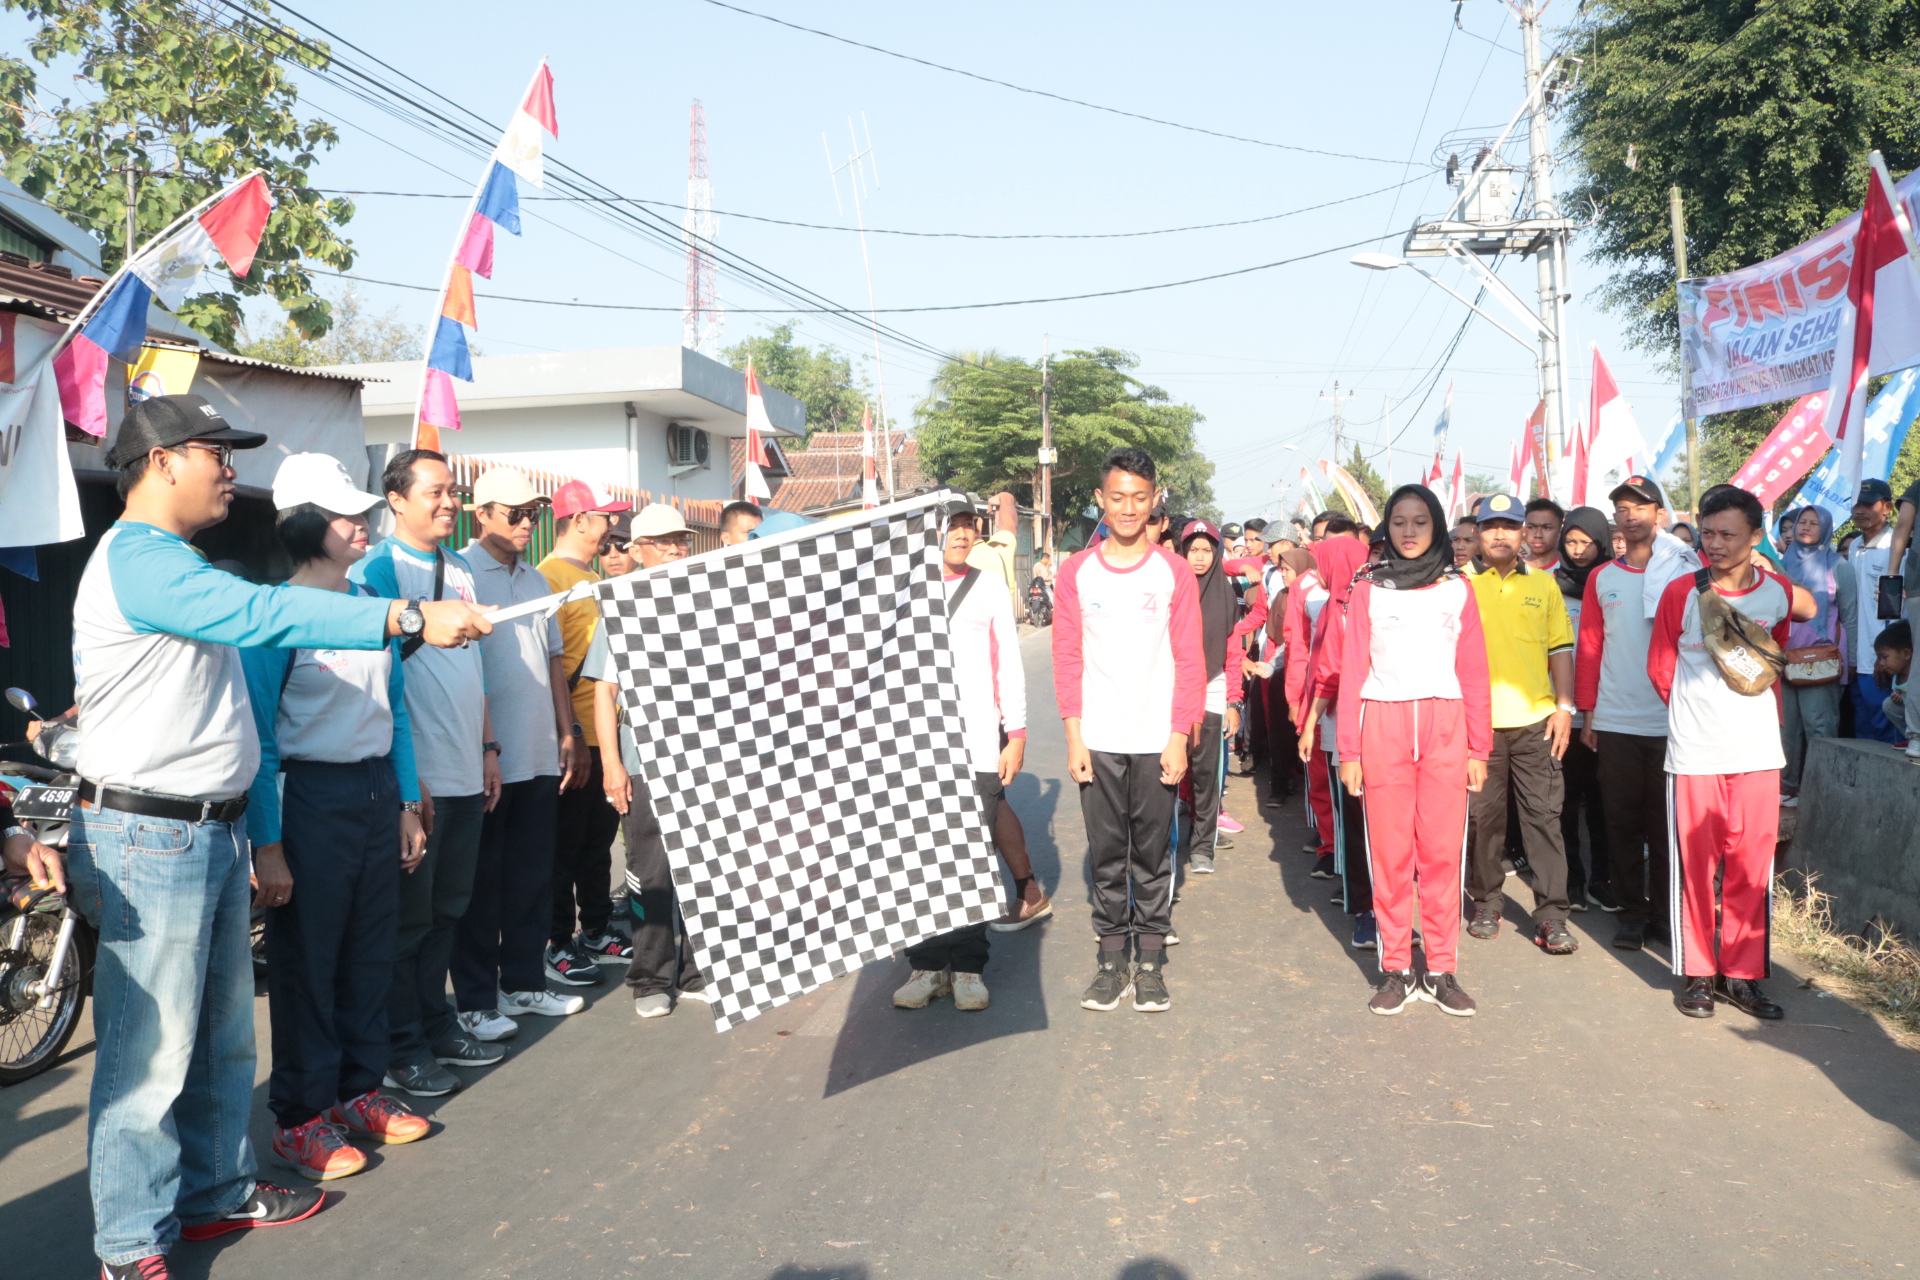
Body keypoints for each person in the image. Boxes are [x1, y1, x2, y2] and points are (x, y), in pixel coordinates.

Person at [69, 397, 488, 1277]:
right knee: (149, 1056)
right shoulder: (141, 562)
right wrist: (404, 619)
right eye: (215, 452)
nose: (230, 468)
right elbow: (269, 617)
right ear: (160, 461)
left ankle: (216, 1194)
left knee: (223, 1038)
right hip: (151, 835)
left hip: (206, 832)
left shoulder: (177, 562)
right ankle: (127, 1242)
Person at [240, 453, 434, 1184]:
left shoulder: (373, 608)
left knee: (369, 952)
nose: (364, 523)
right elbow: (259, 739)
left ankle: (359, 1090)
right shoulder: (271, 618)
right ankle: (301, 1116)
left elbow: (399, 713)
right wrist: (269, 845)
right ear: (305, 526)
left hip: (376, 790)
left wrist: (408, 805)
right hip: (308, 800)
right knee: (309, 965)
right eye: (347, 514)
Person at [351, 450, 505, 1096]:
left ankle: (437, 1021)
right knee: (407, 921)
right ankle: (402, 1043)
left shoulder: (460, 567)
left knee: (449, 909)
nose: (448, 503)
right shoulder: (374, 571)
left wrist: (489, 748)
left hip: (468, 769)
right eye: (434, 492)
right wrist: (410, 786)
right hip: (421, 779)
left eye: (452, 492)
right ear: (395, 500)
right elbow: (374, 682)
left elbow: (474, 669)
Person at [1322, 484, 1492, 1016]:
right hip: (1384, 727)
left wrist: (1478, 748)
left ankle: (1440, 969)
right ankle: (1396, 967)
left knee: (1441, 855)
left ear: (1437, 527)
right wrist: (1348, 749)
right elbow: (1353, 673)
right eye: (1400, 522)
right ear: (1386, 529)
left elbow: (1475, 672)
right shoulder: (1369, 589)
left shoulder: (1458, 589)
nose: (1410, 531)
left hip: (1446, 726)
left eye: (1421, 521)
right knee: (1391, 856)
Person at [1649, 485, 1815, 1020]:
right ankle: (1699, 973)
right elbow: (1661, 668)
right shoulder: (1679, 593)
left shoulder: (1776, 594)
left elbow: (1773, 657)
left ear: (1757, 538)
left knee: (1750, 867)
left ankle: (1741, 976)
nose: (1714, 544)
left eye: (1728, 534)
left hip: (1760, 753)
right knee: (1696, 869)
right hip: (1695, 754)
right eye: (1708, 533)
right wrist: (1696, 714)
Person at [1053, 448, 1204, 1014]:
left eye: (1139, 497)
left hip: (1155, 737)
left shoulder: (1174, 572)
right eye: (1117, 497)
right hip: (1098, 736)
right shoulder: (1077, 572)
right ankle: (1111, 958)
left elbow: (1190, 660)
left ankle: (1151, 961)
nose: (1128, 507)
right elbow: (1066, 658)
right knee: (1106, 851)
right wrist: (1073, 736)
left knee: (1152, 854)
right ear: (1101, 499)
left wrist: (1177, 736)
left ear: (1154, 499)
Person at [453, 468, 588, 1042]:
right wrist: (486, 744)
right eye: (514, 513)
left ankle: (526, 979)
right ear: (480, 513)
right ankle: (477, 999)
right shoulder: (458, 574)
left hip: (536, 750)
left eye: (532, 512)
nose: (527, 523)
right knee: (482, 882)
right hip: (482, 756)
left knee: (531, 874)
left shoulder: (536, 581)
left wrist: (567, 730)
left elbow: (554, 661)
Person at [893, 504, 1029, 1011]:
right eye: (951, 526)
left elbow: (1009, 664)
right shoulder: (904, 587)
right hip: (914, 745)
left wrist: (1013, 734)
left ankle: (969, 968)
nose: (961, 535)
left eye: (970, 527)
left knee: (971, 853)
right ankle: (926, 965)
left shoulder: (990, 588)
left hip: (976, 741)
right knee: (919, 856)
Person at [587, 504, 716, 1018]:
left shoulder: (706, 600)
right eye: (663, 541)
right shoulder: (620, 605)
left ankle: (697, 970)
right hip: (643, 759)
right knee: (649, 870)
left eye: (681, 539)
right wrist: (612, 766)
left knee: (703, 867)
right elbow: (604, 694)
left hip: (701, 757)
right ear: (636, 550)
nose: (676, 548)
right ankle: (650, 978)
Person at [1575, 475, 1700, 952]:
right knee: (1621, 821)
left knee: (1666, 824)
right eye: (1622, 508)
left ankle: (1669, 914)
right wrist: (1588, 714)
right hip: (1616, 722)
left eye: (1640, 507)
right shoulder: (1602, 578)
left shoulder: (1686, 573)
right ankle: (1632, 911)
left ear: (1659, 516)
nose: (1630, 515)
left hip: (1674, 720)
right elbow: (1589, 648)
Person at [1461, 495, 1577, 955]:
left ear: (1523, 532)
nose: (1501, 535)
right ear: (1478, 533)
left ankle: (1551, 916)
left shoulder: (1544, 586)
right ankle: (1487, 902)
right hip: (1477, 726)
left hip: (1536, 723)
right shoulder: (1457, 584)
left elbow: (1559, 650)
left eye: (1511, 526)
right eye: (1491, 526)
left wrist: (1564, 706)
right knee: (1483, 820)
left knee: (1544, 819)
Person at [539, 479, 635, 981]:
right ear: (579, 521)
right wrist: (569, 733)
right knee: (563, 848)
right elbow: (549, 665)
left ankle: (595, 930)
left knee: (597, 844)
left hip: (606, 737)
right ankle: (556, 941)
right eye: (604, 518)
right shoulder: (548, 579)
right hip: (575, 737)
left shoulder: (593, 577)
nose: (611, 528)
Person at [1297, 534, 1378, 947]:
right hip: (1379, 728)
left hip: (1346, 727)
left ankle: (1362, 900)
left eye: (1321, 562)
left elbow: (1328, 671)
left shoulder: (1343, 602)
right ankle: (1365, 901)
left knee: (1354, 820)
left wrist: (1309, 721)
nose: (1318, 570)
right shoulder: (1344, 600)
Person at [1553, 507, 1613, 910]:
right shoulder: (1548, 587)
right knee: (1564, 801)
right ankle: (1571, 879)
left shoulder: (1611, 582)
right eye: (1571, 541)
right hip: (1561, 712)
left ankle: (1601, 880)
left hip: (1604, 711)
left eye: (1586, 542)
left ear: (1601, 543)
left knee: (1603, 802)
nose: (1578, 550)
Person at [1778, 506, 1856, 798]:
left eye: (1815, 523)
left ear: (1825, 529)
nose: (1807, 527)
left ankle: (1822, 793)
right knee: (1786, 731)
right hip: (1782, 660)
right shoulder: (1780, 563)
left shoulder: (1839, 566)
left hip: (1821, 662)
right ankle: (1787, 790)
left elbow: (1849, 617)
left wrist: (1852, 663)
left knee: (1819, 727)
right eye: (1802, 522)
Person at [1176, 519, 1240, 875]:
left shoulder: (1225, 594)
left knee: (1205, 771)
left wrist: (1233, 702)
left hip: (1212, 687)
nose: (1199, 558)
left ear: (1216, 554)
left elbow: (1233, 651)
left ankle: (1202, 845)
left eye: (1206, 551)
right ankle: (1165, 842)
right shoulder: (1169, 588)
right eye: (1193, 550)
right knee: (1168, 768)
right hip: (1172, 688)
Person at [1845, 479, 1903, 743]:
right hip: (1858, 653)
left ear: (1887, 507)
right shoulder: (1855, 546)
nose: (1861, 510)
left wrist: (1891, 656)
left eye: (1868, 505)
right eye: (1857, 504)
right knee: (1863, 723)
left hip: (1883, 656)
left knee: (1885, 724)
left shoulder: (1899, 547)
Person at [1523, 498, 1565, 573]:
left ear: (1560, 531)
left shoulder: (1568, 570)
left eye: (1547, 528)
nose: (1538, 535)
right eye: (1532, 527)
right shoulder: (1512, 569)